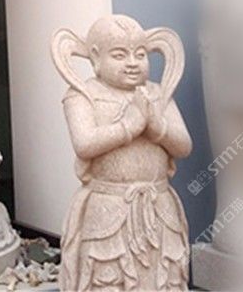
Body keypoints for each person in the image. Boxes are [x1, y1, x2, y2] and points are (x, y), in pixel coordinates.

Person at [54, 15, 192, 291]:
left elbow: (184, 146)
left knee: (165, 275)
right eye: (119, 55)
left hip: (158, 205)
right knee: (108, 276)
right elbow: (84, 144)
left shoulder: (157, 94)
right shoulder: (82, 95)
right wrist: (128, 126)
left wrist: (157, 127)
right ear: (95, 57)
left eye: (140, 54)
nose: (132, 62)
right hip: (108, 207)